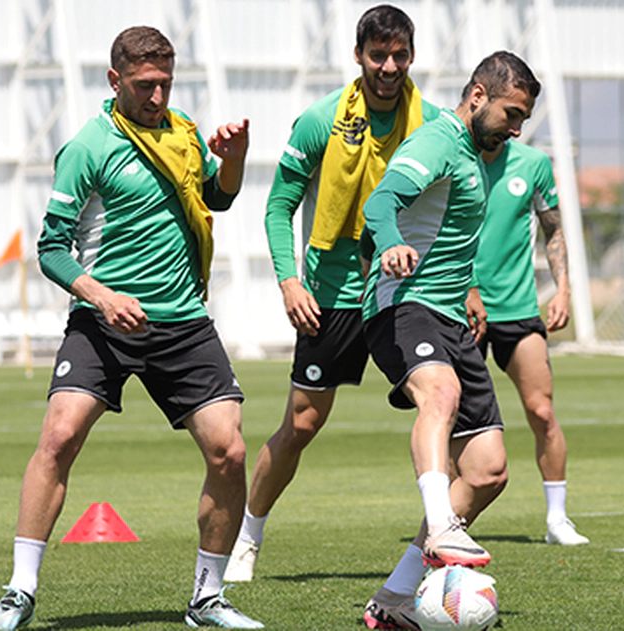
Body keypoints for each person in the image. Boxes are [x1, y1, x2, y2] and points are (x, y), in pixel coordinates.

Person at [0, 26, 261, 631]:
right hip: (102, 322)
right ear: (115, 80)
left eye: (165, 84)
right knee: (59, 436)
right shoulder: (88, 146)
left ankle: (208, 598)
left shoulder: (184, 132)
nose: (157, 97)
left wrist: (234, 158)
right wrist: (102, 297)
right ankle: (19, 591)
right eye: (144, 85)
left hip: (182, 322)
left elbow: (217, 197)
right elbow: (51, 248)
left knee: (230, 451)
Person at [225, 4, 441, 583]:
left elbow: (453, 210)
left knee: (440, 406)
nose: (389, 67)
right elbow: (278, 206)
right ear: (358, 56)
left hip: (405, 292)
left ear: (412, 57)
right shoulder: (321, 120)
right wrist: (289, 280)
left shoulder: (433, 125)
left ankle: (439, 541)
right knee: (301, 425)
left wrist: (464, 285)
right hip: (332, 294)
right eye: (379, 55)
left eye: (399, 56)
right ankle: (247, 536)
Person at [359, 51, 541, 630]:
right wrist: (390, 242)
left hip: (452, 316)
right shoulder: (437, 140)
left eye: (523, 120)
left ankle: (394, 597)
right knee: (439, 394)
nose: (516, 130)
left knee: (487, 470)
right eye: (512, 114)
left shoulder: (476, 155)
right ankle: (440, 527)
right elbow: (380, 202)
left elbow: (449, 235)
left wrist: (469, 289)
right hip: (403, 305)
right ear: (478, 96)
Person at [468, 140, 589, 545]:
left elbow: (553, 228)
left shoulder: (533, 163)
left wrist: (563, 290)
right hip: (462, 308)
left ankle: (557, 520)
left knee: (542, 411)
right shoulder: (453, 157)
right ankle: (449, 522)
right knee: (455, 420)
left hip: (517, 309)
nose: (514, 125)